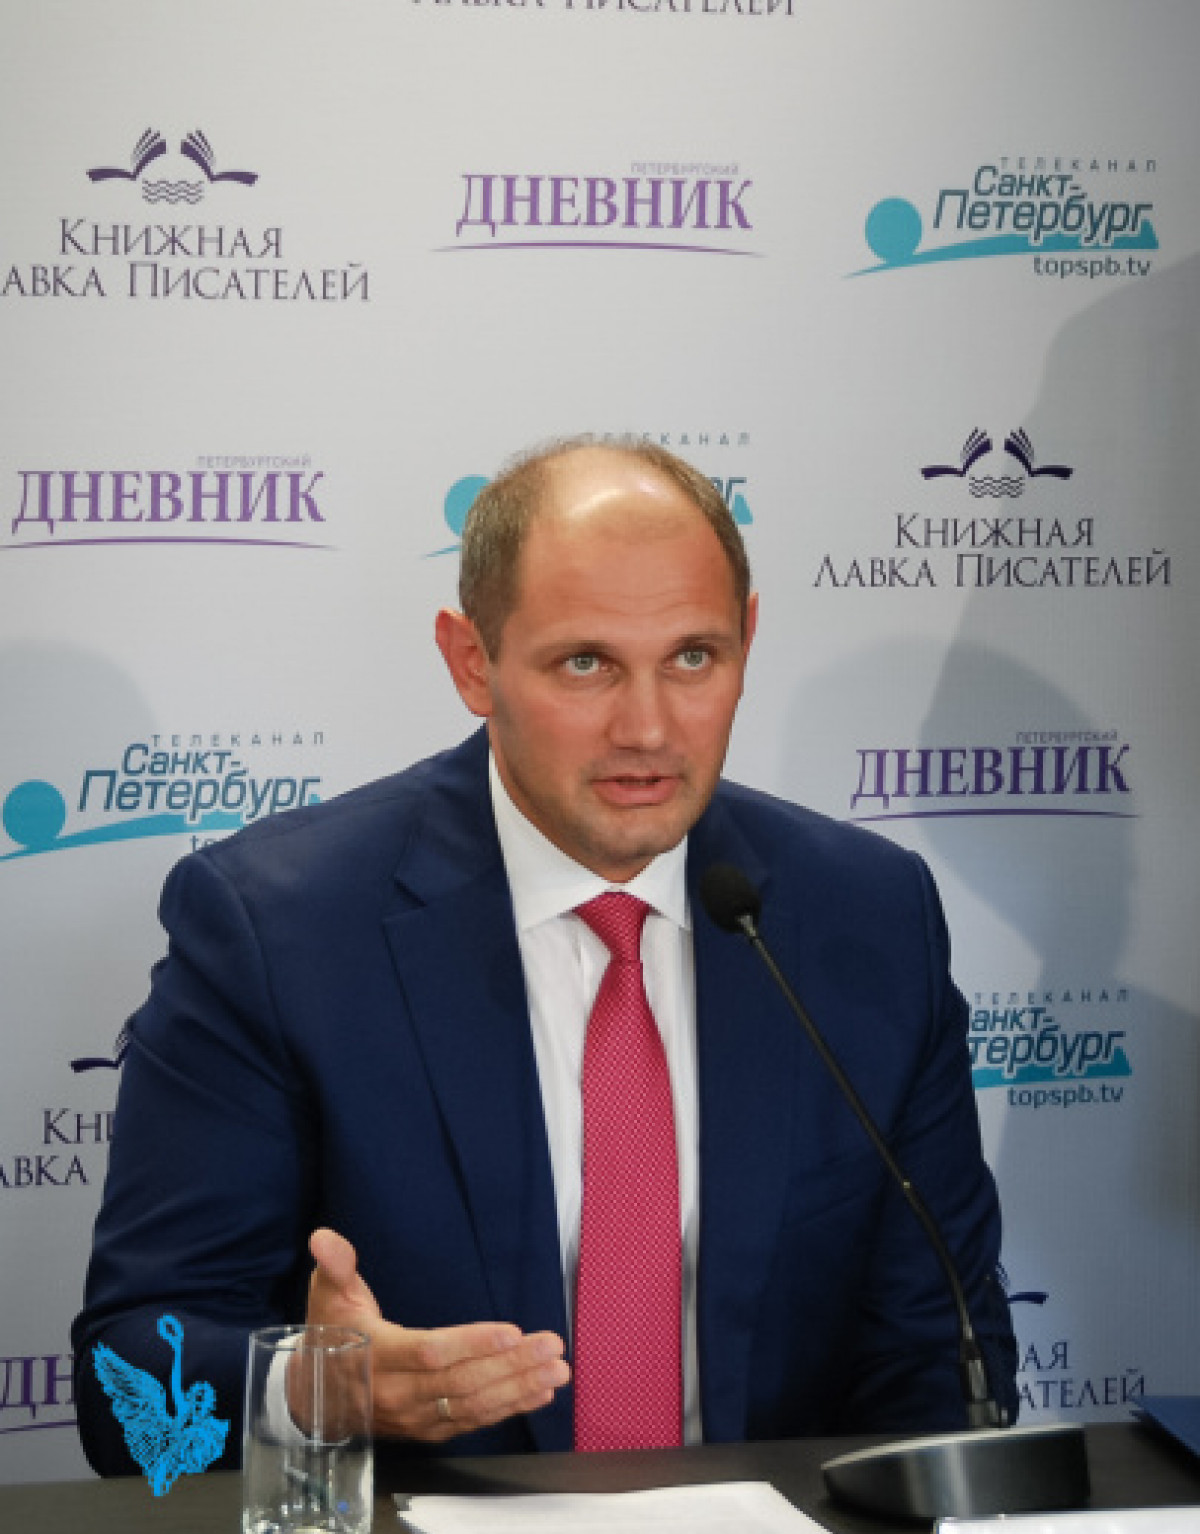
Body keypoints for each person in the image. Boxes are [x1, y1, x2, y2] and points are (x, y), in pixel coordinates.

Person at [73, 438, 1017, 1476]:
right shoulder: (279, 930)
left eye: (693, 658)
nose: (648, 728)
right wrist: (317, 1388)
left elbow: (941, 1358)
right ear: (472, 662)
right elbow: (127, 1388)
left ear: (748, 641)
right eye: (586, 663)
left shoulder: (867, 917)